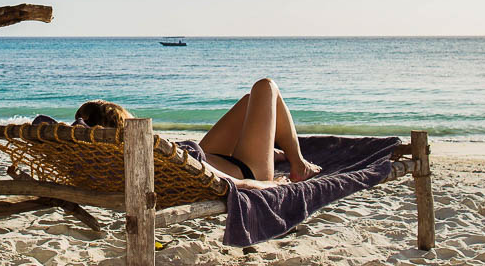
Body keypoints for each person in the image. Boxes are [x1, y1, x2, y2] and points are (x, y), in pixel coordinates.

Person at [74, 78, 321, 191]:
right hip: (244, 170)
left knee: (249, 103)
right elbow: (231, 183)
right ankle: (298, 164)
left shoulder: (106, 157)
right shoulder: (149, 155)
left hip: (205, 156)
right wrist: (267, 185)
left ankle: (274, 153)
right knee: (265, 87)